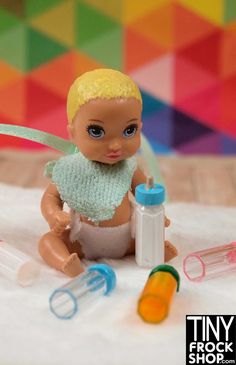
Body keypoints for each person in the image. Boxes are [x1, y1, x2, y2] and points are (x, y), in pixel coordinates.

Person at [39, 69, 177, 277]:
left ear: (140, 127)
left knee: (148, 236)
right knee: (47, 242)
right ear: (73, 133)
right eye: (96, 131)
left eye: (129, 131)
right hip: (83, 240)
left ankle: (152, 250)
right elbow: (51, 196)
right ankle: (66, 262)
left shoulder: (129, 167)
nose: (115, 145)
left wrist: (157, 216)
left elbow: (146, 193)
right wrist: (53, 215)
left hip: (127, 238)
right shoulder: (70, 169)